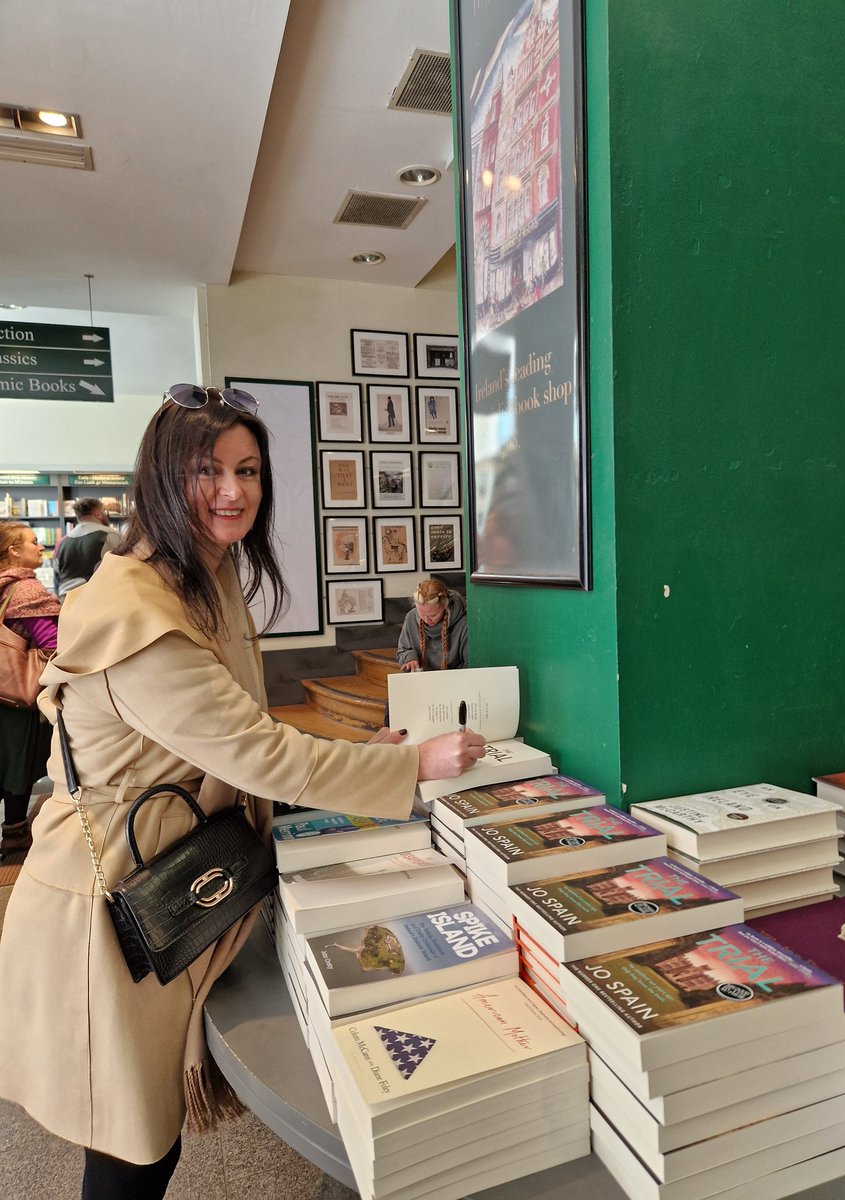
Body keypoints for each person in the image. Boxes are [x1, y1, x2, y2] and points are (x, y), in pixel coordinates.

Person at [0, 385, 485, 1199]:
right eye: (207, 470)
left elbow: (228, 730)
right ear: (162, 477)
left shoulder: (198, 576)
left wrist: (356, 749)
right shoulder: (139, 613)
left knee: (144, 1138)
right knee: (128, 1149)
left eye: (249, 469)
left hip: (159, 873)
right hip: (111, 908)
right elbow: (260, 753)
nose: (234, 490)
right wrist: (410, 768)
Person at [0, 522, 60, 859]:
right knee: (18, 765)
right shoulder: (25, 590)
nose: (41, 547)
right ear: (13, 551)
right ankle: (14, 836)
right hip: (16, 697)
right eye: (34, 542)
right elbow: (51, 644)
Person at [52, 497, 123, 596]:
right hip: (98, 598)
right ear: (98, 514)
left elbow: (56, 579)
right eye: (104, 511)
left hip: (67, 600)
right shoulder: (112, 536)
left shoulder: (61, 542)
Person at [397, 579, 468, 672]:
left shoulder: (464, 623)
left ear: (445, 606)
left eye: (433, 615)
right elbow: (402, 651)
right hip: (421, 680)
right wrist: (410, 658)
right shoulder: (411, 617)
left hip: (455, 681)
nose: (426, 620)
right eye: (421, 614)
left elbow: (469, 665)